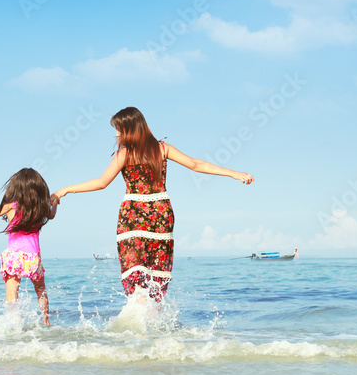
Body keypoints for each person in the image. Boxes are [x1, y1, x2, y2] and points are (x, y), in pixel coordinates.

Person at [52, 107, 253, 301]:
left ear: (129, 129)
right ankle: (154, 325)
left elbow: (102, 182)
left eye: (118, 129)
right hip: (161, 215)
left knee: (135, 272)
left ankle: (136, 323)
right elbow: (195, 164)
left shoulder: (124, 154)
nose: (116, 134)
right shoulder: (163, 149)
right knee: (156, 277)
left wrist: (66, 189)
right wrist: (232, 173)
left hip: (132, 217)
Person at [0, 168, 57, 325]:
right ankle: (45, 320)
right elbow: (52, 215)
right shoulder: (40, 208)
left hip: (14, 257)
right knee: (40, 290)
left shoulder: (11, 206)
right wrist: (54, 203)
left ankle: (14, 321)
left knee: (12, 295)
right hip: (33, 257)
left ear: (16, 187)